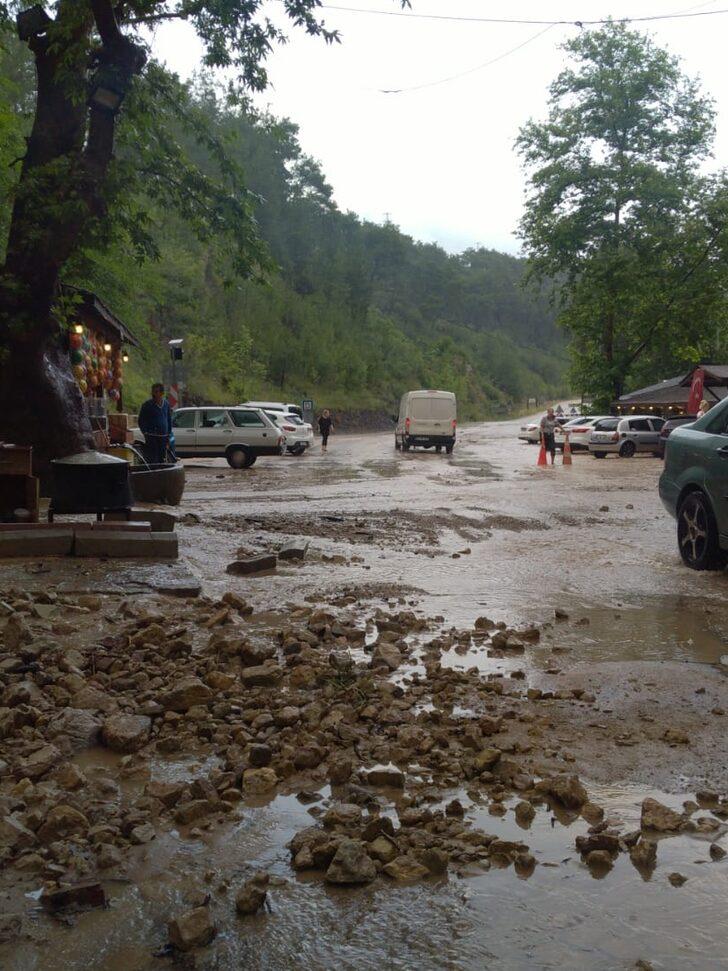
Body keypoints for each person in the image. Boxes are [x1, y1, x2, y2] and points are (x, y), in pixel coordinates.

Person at [138, 383, 173, 464]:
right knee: (153, 458)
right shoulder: (147, 405)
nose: (155, 394)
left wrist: (168, 434)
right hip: (151, 436)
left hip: (163, 436)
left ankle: (161, 474)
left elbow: (168, 419)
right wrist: (145, 432)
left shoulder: (166, 404)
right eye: (154, 392)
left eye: (157, 392)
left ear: (161, 393)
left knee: (162, 458)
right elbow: (141, 420)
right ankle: (153, 474)